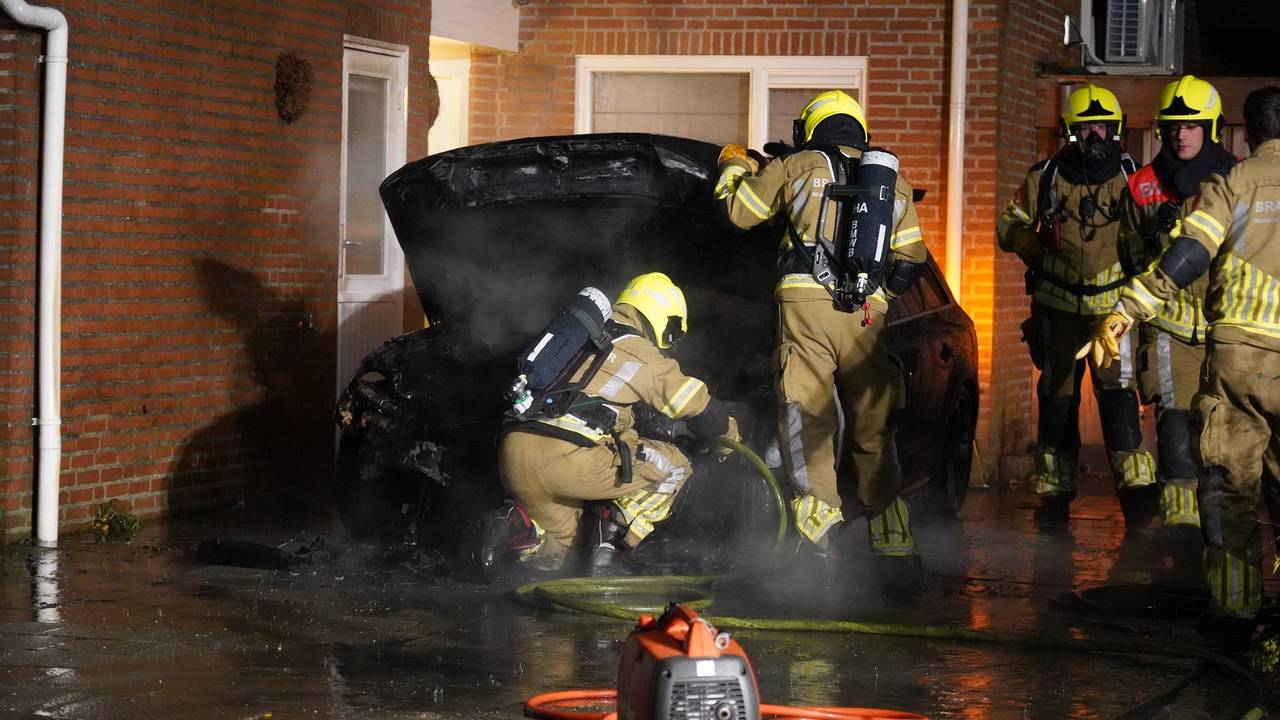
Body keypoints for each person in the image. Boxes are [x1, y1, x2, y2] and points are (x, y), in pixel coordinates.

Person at [1079, 86, 1280, 651]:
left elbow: (1190, 253)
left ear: (1245, 132)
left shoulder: (1234, 182)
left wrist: (1126, 310)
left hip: (1239, 358)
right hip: (1214, 345)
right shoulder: (1155, 184)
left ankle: (1234, 613)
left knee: (1232, 488)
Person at [714, 90, 928, 587]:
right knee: (874, 427)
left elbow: (737, 214)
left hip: (805, 308)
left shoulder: (798, 164)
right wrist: (876, 297)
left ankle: (816, 547)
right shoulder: (893, 184)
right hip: (867, 319)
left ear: (810, 129)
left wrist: (733, 165)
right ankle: (893, 543)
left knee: (808, 419)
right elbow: (911, 261)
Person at [493, 272, 740, 575]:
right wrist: (730, 439)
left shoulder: (579, 340)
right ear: (662, 316)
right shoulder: (638, 349)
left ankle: (517, 528)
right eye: (673, 332)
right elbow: (698, 406)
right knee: (675, 466)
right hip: (568, 457)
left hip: (514, 453)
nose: (670, 342)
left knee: (559, 552)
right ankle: (612, 544)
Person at [996, 83, 1158, 529]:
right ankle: (1054, 496)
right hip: (1058, 312)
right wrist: (1033, 248)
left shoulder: (1135, 179)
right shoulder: (1044, 178)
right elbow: (1007, 225)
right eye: (1085, 129)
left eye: (1102, 127)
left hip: (1113, 316)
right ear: (1070, 131)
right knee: (1057, 402)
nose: (1094, 137)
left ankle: (1137, 496)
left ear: (1116, 130)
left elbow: (1161, 234)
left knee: (1119, 399)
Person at [1123, 76, 1237, 553]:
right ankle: (1181, 528)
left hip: (1226, 330)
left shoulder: (1235, 180)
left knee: (1225, 430)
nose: (1181, 134)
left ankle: (1223, 524)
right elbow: (1130, 253)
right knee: (1174, 421)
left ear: (1211, 129)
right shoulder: (1143, 185)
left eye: (1191, 126)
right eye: (1173, 126)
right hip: (1169, 326)